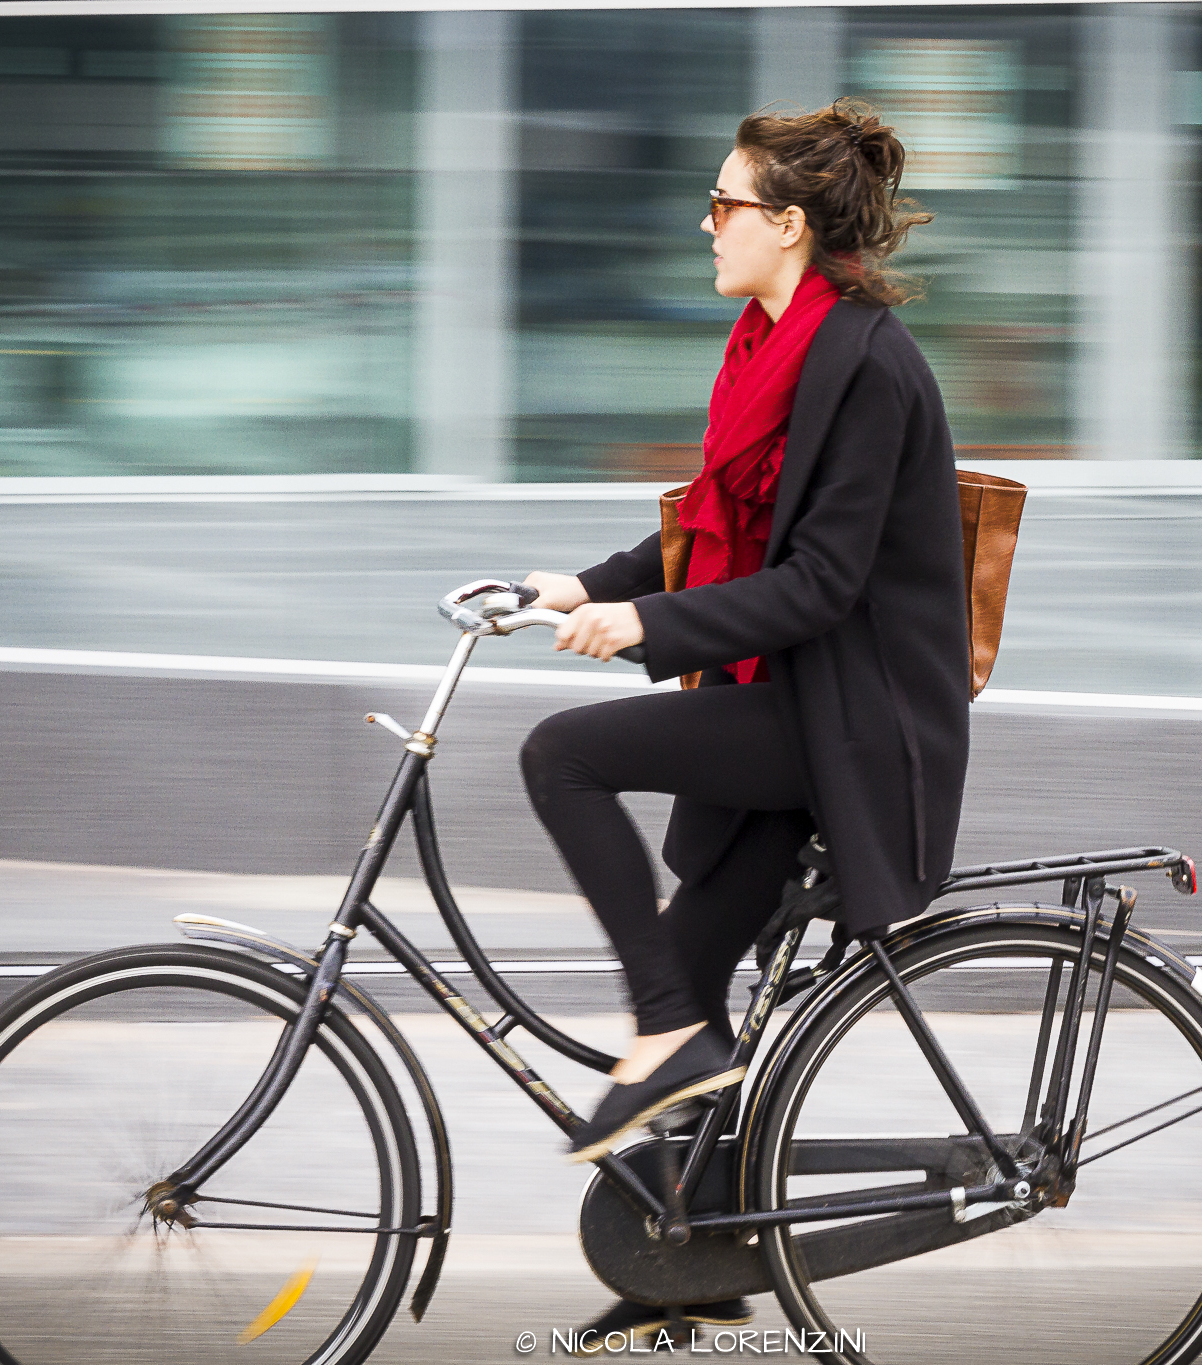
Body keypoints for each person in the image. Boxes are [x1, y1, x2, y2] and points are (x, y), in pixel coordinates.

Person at [516, 99, 970, 1350]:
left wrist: (647, 635)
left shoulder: (865, 364)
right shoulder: (768, 348)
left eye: (721, 205)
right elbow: (717, 527)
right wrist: (590, 590)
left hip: (848, 721)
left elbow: (820, 581)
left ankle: (662, 1033)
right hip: (787, 695)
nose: (703, 225)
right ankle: (693, 1265)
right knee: (696, 960)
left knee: (563, 753)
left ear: (785, 223)